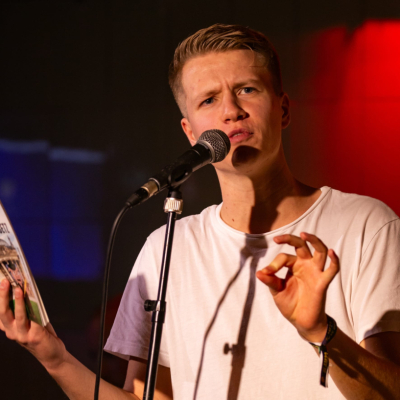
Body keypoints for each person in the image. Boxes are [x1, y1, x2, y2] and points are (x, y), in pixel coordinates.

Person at [1, 23, 400, 400]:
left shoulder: (366, 225)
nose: (231, 110)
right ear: (191, 132)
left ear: (283, 109)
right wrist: (54, 357)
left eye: (247, 89)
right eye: (209, 100)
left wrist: (321, 332)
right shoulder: (167, 247)